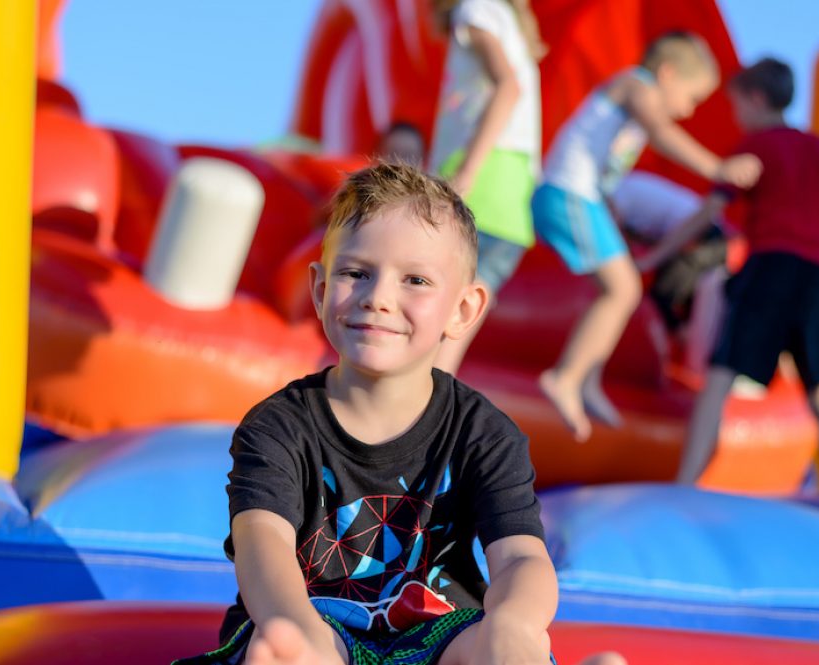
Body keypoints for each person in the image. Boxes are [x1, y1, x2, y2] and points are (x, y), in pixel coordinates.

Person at [172, 163, 621, 665]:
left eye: (415, 280)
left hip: (435, 638)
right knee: (280, 649)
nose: (378, 298)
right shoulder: (279, 427)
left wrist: (513, 625)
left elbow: (519, 556)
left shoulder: (482, 433)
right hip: (319, 628)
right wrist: (295, 629)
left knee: (514, 642)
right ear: (321, 292)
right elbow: (264, 544)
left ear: (464, 311)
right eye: (355, 273)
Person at [635, 58, 819, 495]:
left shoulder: (755, 146)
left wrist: (656, 255)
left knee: (719, 377)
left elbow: (708, 214)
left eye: (737, 105)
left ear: (756, 99)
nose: (736, 116)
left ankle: (685, 485)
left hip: (772, 269)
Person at [532, 31, 762, 442]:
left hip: (584, 198)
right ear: (668, 74)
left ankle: (586, 380)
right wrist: (717, 169)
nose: (688, 112)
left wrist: (614, 217)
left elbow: (605, 169)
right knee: (622, 289)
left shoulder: (630, 104)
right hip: (567, 194)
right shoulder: (634, 85)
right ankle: (565, 377)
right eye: (691, 98)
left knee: (618, 291)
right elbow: (659, 129)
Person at [428, 0, 545, 373]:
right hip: (511, 195)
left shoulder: (476, 9)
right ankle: (428, 419)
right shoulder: (507, 19)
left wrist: (467, 171)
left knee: (428, 315)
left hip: (482, 178)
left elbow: (507, 86)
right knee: (454, 329)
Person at [612, 171, 729, 375]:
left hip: (703, 241)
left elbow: (617, 241)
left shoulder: (617, 196)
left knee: (662, 303)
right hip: (708, 241)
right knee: (679, 307)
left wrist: (651, 260)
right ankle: (686, 363)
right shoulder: (629, 189)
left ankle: (674, 367)